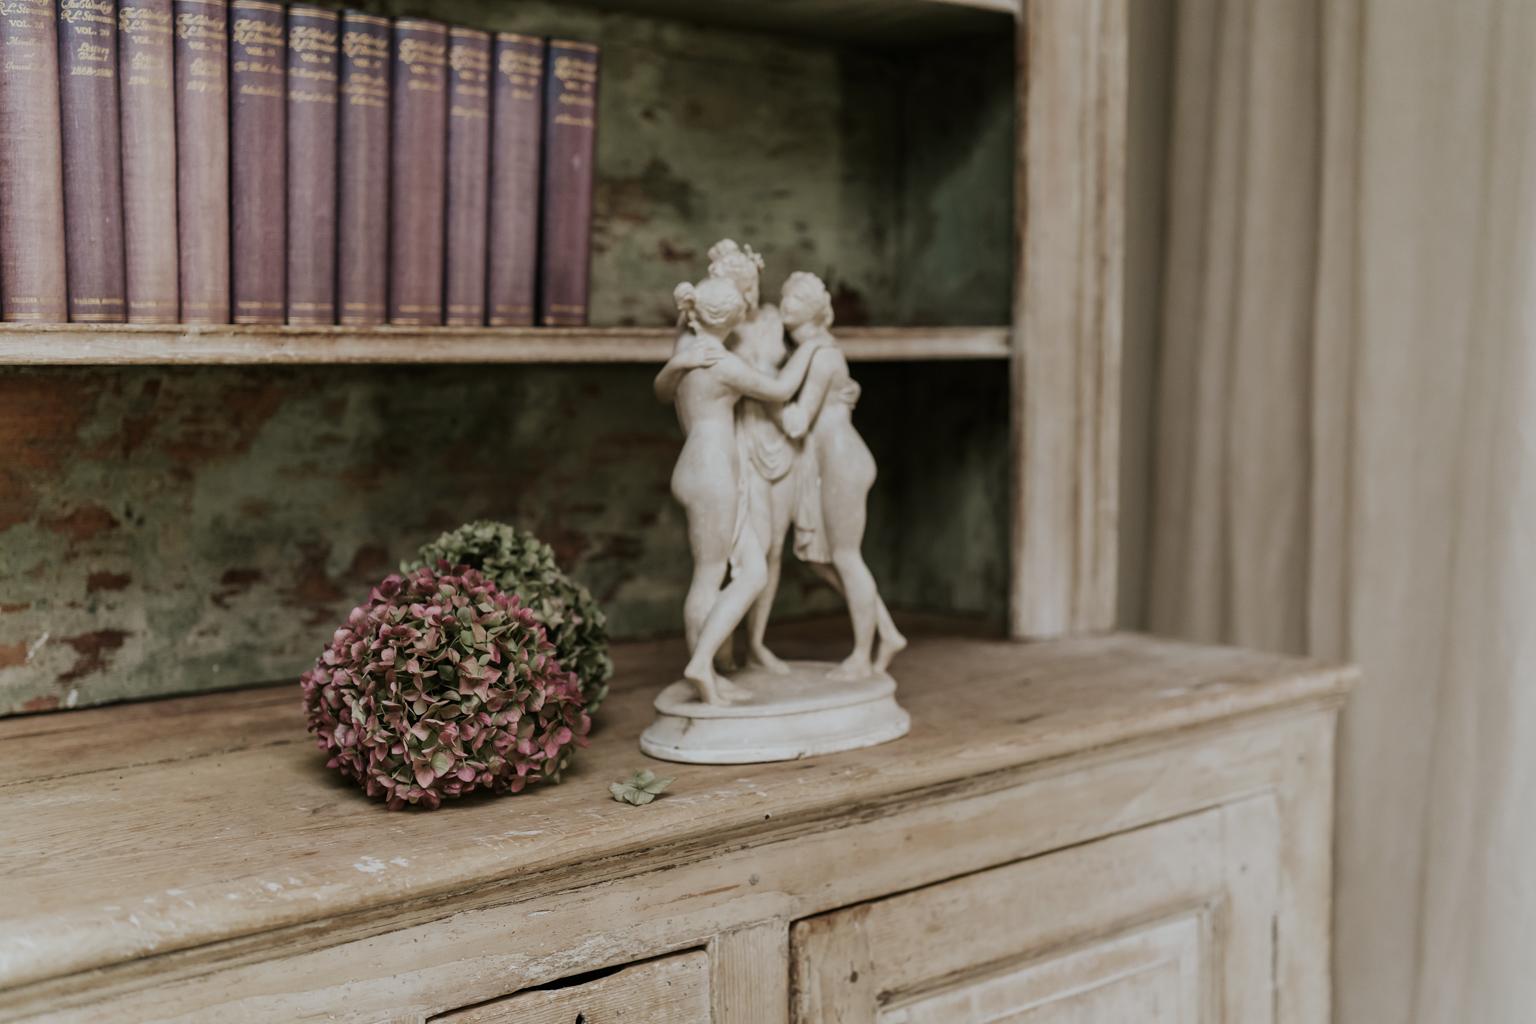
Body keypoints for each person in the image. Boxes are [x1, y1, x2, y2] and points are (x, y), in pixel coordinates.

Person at [662, 275, 824, 703]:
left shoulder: (688, 350)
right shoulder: (722, 362)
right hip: (714, 470)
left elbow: (662, 390)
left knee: (743, 568)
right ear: (732, 320)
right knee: (713, 575)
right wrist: (810, 347)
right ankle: (704, 669)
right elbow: (781, 390)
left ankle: (708, 665)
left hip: (694, 466)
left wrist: (678, 364)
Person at [778, 271, 906, 679]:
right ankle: (887, 632)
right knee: (820, 560)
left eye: (797, 298)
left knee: (847, 557)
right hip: (827, 461)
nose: (786, 303)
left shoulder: (820, 355)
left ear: (815, 308)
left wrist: (744, 393)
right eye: (785, 296)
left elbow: (798, 421)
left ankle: (861, 655)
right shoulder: (814, 350)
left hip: (841, 462)